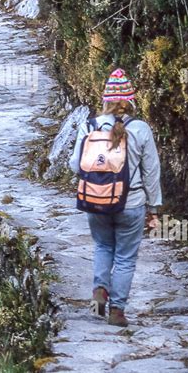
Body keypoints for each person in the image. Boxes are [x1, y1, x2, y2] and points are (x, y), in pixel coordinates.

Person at [69, 68, 162, 327]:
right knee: (125, 257)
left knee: (102, 247)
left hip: (96, 201)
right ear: (130, 100)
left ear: (106, 100)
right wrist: (153, 208)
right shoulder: (141, 129)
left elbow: (76, 165)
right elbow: (152, 171)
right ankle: (117, 311)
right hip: (131, 203)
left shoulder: (90, 125)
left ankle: (99, 291)